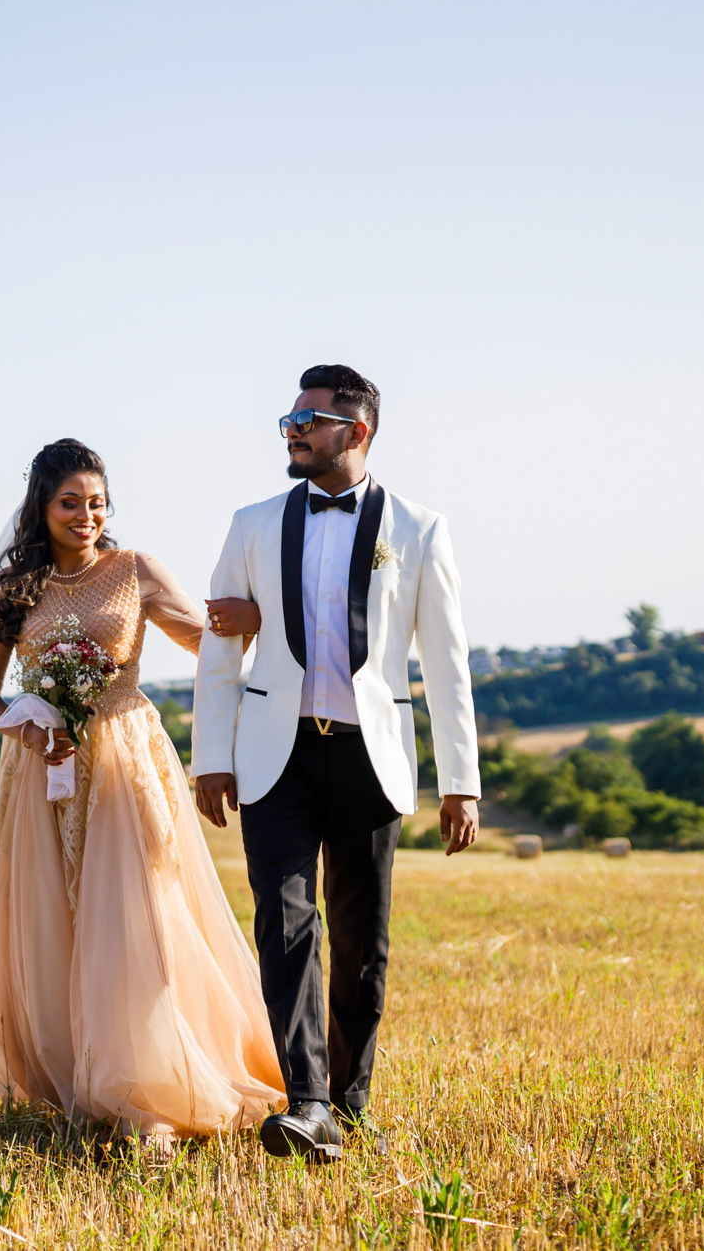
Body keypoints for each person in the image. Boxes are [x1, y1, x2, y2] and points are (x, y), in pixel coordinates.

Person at [193, 365, 481, 1165]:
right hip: (274, 757)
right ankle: (306, 1100)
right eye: (288, 417)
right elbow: (221, 646)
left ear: (357, 432)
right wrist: (211, 756)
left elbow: (445, 663)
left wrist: (462, 780)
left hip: (370, 757)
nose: (292, 429)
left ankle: (349, 1105)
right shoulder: (251, 522)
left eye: (307, 418)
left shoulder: (420, 530)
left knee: (361, 942)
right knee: (284, 928)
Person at [0, 438, 285, 1151]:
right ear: (41, 507)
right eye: (70, 502)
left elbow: (210, 645)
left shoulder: (134, 570)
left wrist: (252, 626)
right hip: (43, 769)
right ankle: (87, 1074)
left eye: (97, 502)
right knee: (62, 922)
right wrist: (29, 728)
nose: (86, 514)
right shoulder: (11, 588)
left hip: (126, 759)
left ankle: (154, 1091)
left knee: (143, 915)